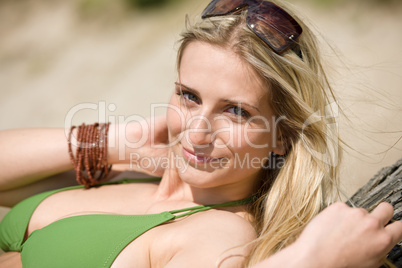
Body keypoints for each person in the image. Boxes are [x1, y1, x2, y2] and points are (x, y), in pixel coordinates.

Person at [1, 0, 401, 267]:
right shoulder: (131, 174)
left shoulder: (221, 234)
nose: (197, 131)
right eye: (189, 96)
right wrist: (120, 141)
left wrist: (308, 260)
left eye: (236, 111)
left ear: (283, 135)